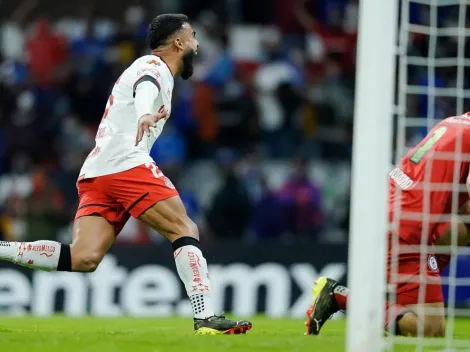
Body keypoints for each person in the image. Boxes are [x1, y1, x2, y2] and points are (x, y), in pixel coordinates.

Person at [0, 14, 252, 335]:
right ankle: (205, 314)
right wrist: (146, 111)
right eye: (193, 36)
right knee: (184, 227)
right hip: (124, 163)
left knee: (84, 258)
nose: (197, 45)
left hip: (97, 171)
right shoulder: (154, 66)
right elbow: (145, 87)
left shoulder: (151, 69)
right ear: (178, 42)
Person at [305, 112, 470, 337]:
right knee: (431, 330)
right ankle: (340, 296)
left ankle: (406, 294)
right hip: (407, 226)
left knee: (464, 228)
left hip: (392, 204)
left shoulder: (455, 121)